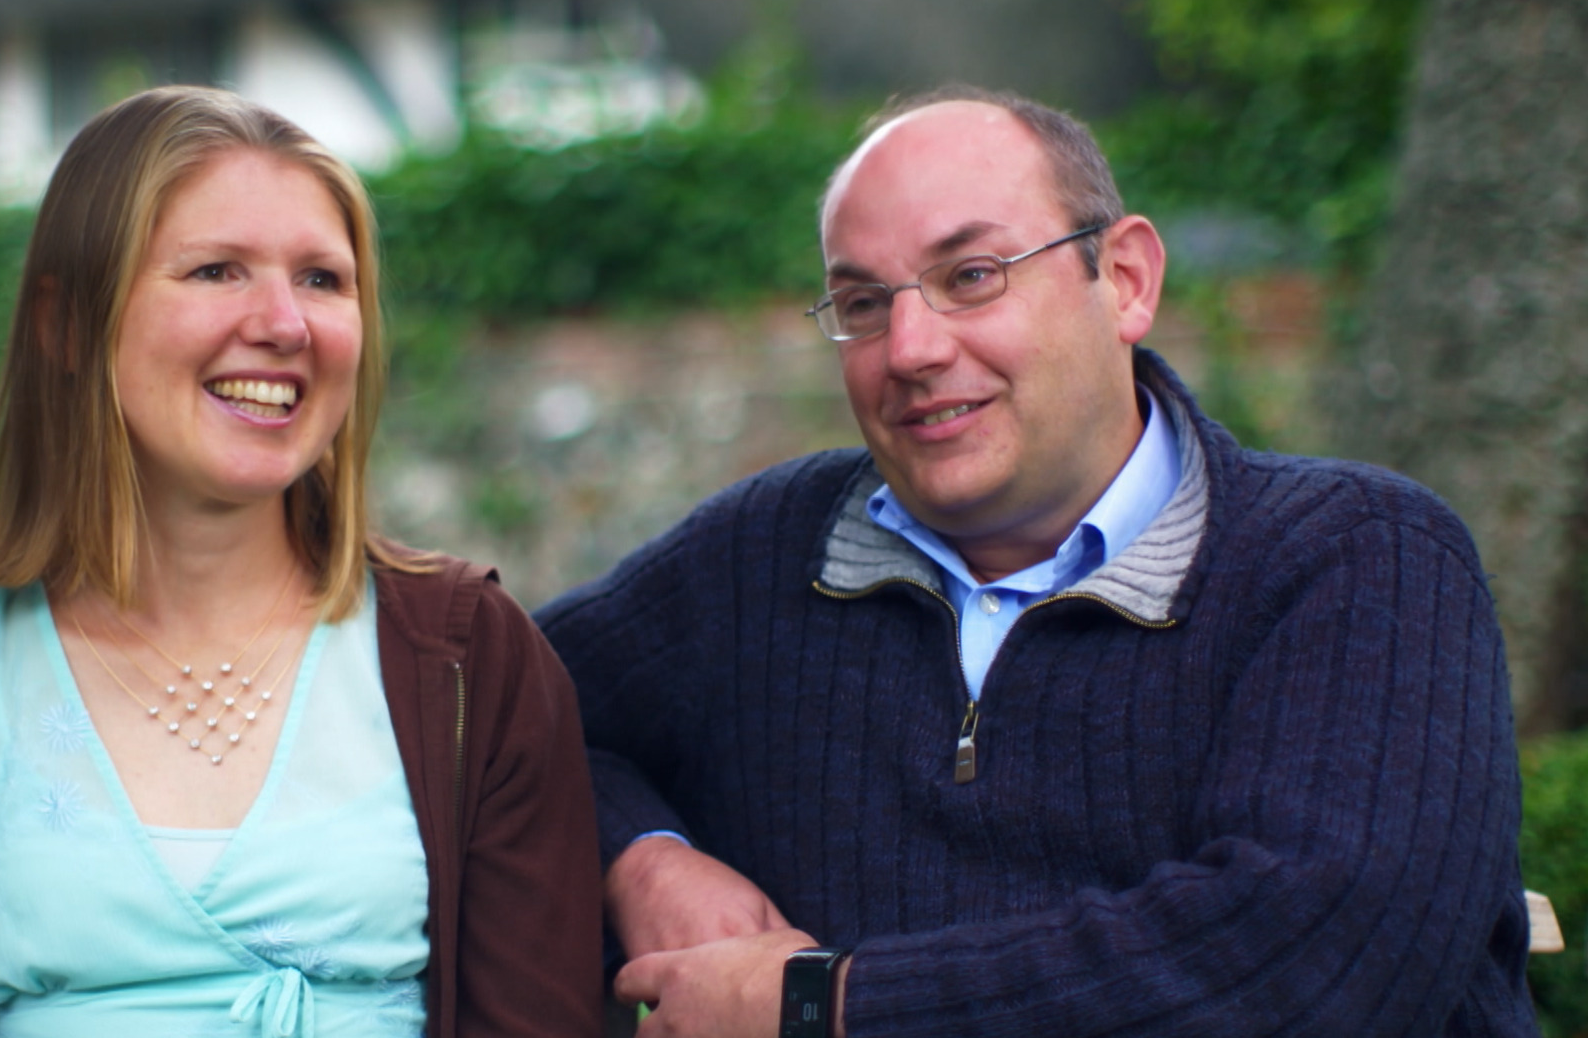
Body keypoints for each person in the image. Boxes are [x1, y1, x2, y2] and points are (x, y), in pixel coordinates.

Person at [536, 86, 1536, 1037]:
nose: (911, 348)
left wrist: (825, 1008)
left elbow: (1308, 970)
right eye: (863, 302)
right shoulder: (760, 557)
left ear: (1127, 280)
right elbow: (503, 718)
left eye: (971, 276)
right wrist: (643, 861)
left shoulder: (1358, 559)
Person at [0, 85, 603, 1038]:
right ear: (67, 325)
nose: (285, 324)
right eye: (218, 270)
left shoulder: (472, 655)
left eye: (322, 279)